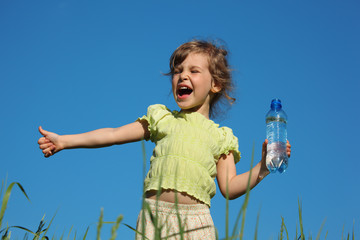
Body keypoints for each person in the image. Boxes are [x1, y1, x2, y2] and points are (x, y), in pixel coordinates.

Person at [38, 40, 291, 240]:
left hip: (198, 222)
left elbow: (230, 187)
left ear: (215, 84)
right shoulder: (163, 119)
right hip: (154, 218)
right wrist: (64, 141)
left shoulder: (221, 136)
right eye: (178, 71)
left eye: (193, 70)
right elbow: (114, 134)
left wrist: (263, 167)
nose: (182, 76)